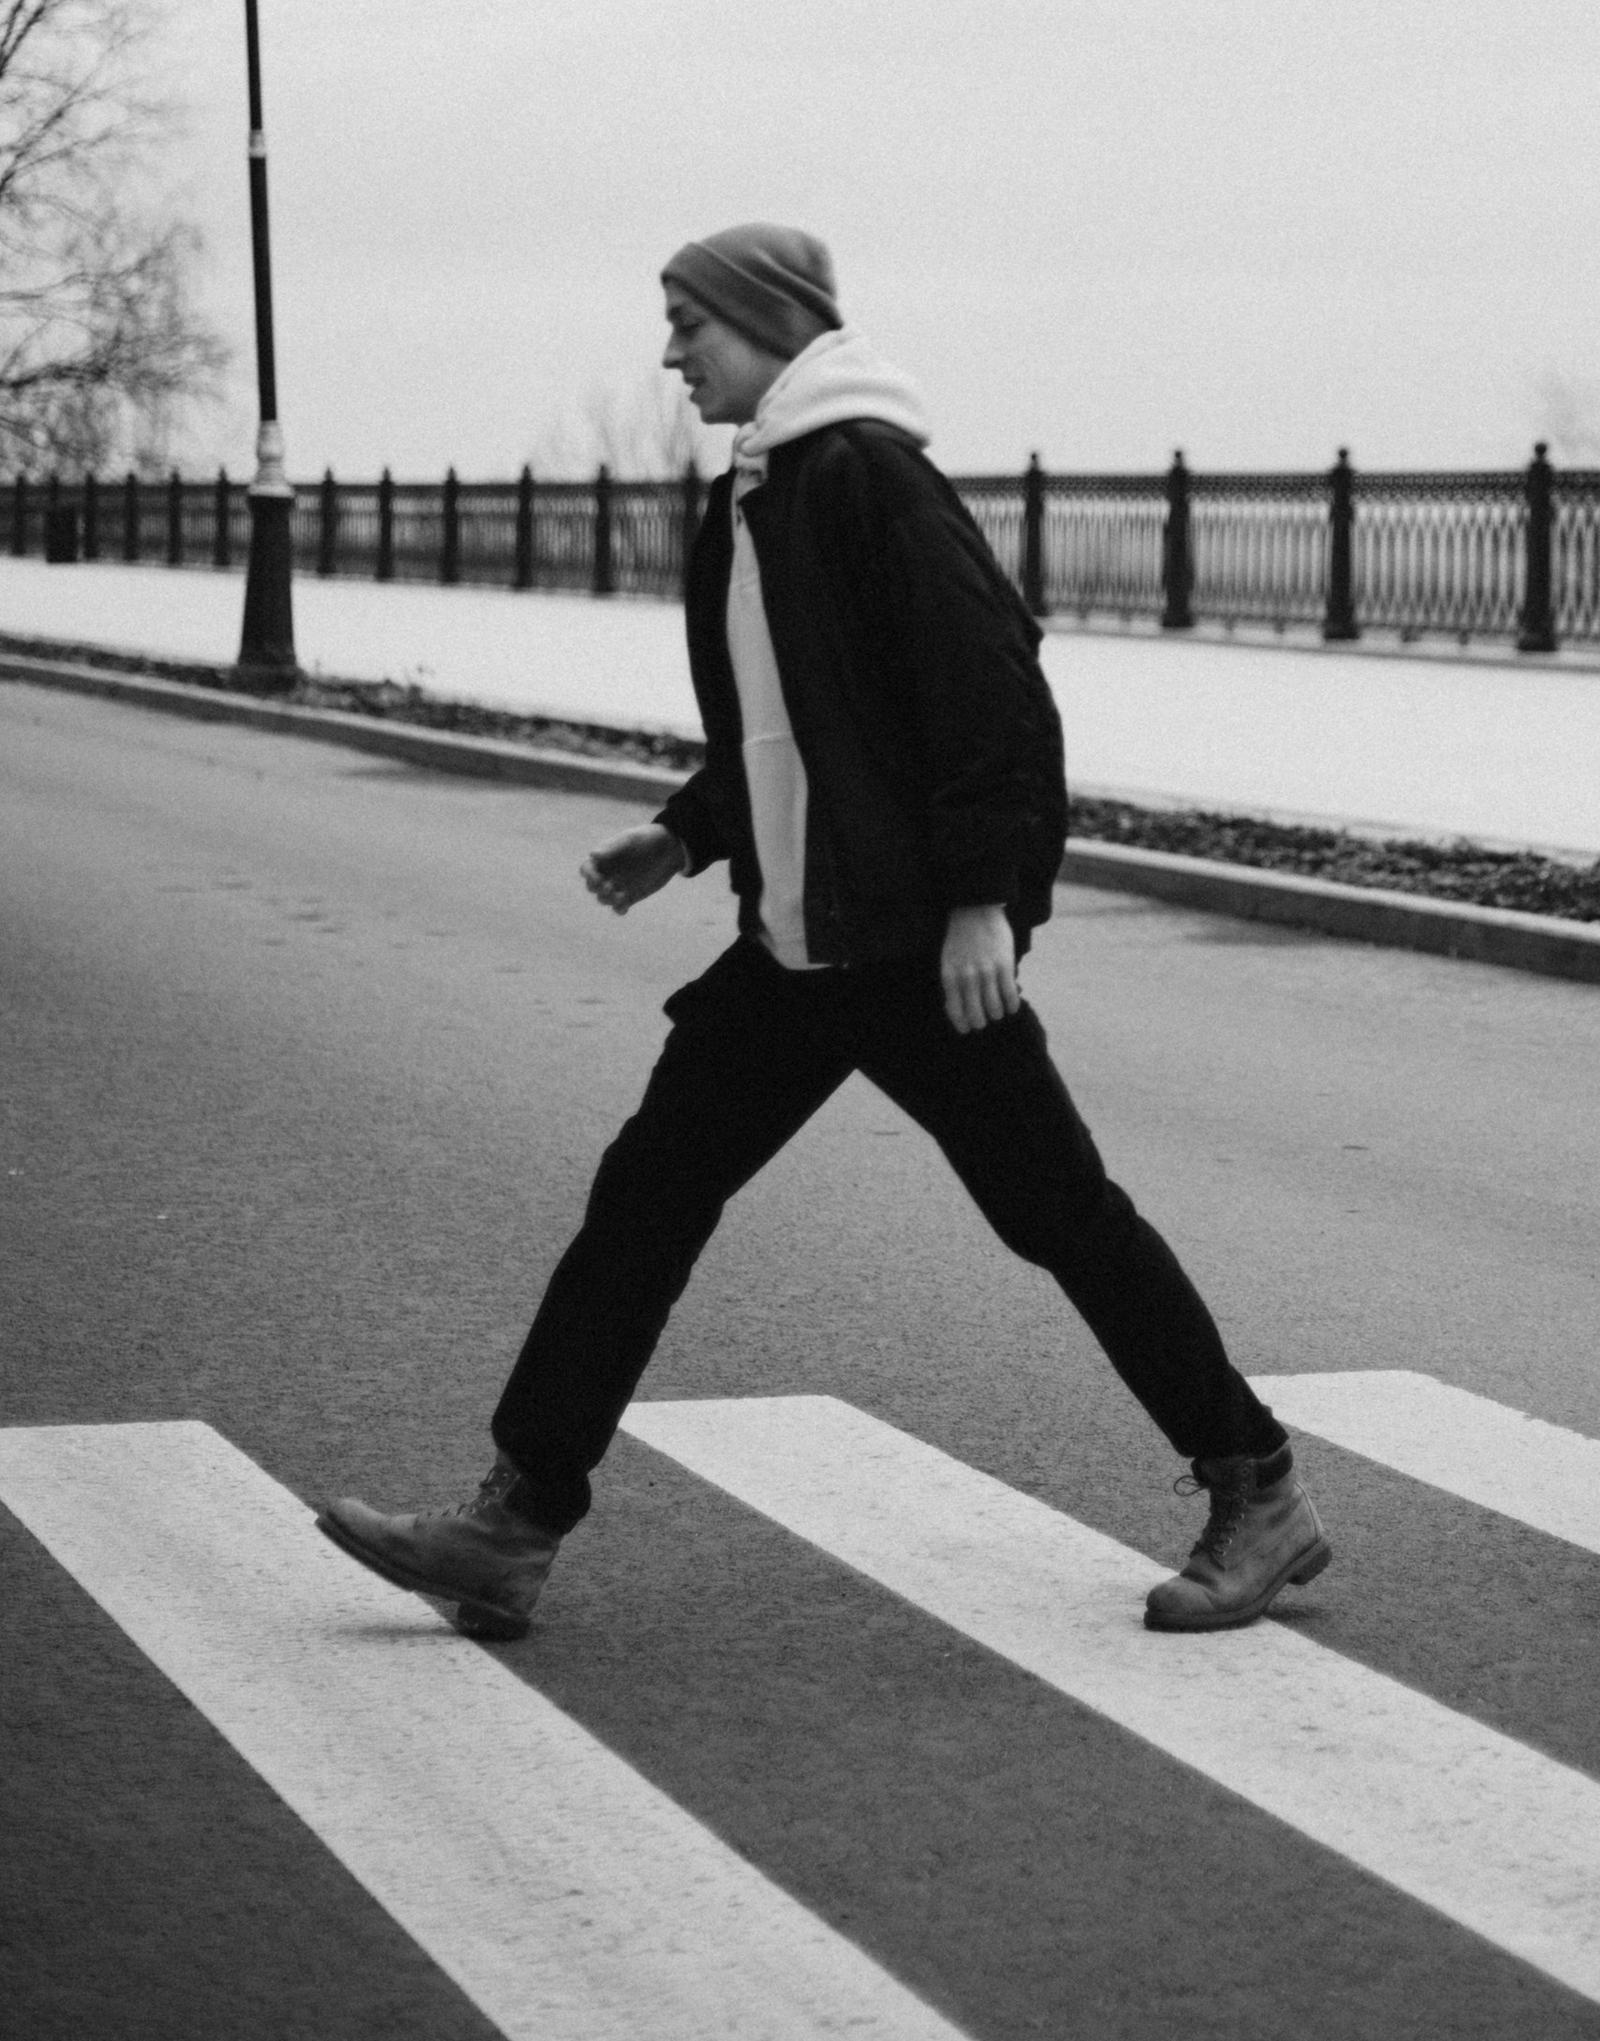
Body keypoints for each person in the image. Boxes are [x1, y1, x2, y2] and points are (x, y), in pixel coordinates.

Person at [318, 222, 1328, 1642]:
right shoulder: (758, 491)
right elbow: (797, 730)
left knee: (1061, 1218)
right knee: (645, 1200)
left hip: (910, 948)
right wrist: (687, 831)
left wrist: (989, 903)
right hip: (797, 949)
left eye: (692, 325)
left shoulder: (864, 477)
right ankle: (516, 1521)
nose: (671, 354)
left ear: (772, 324)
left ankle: (1260, 1490)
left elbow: (995, 699)